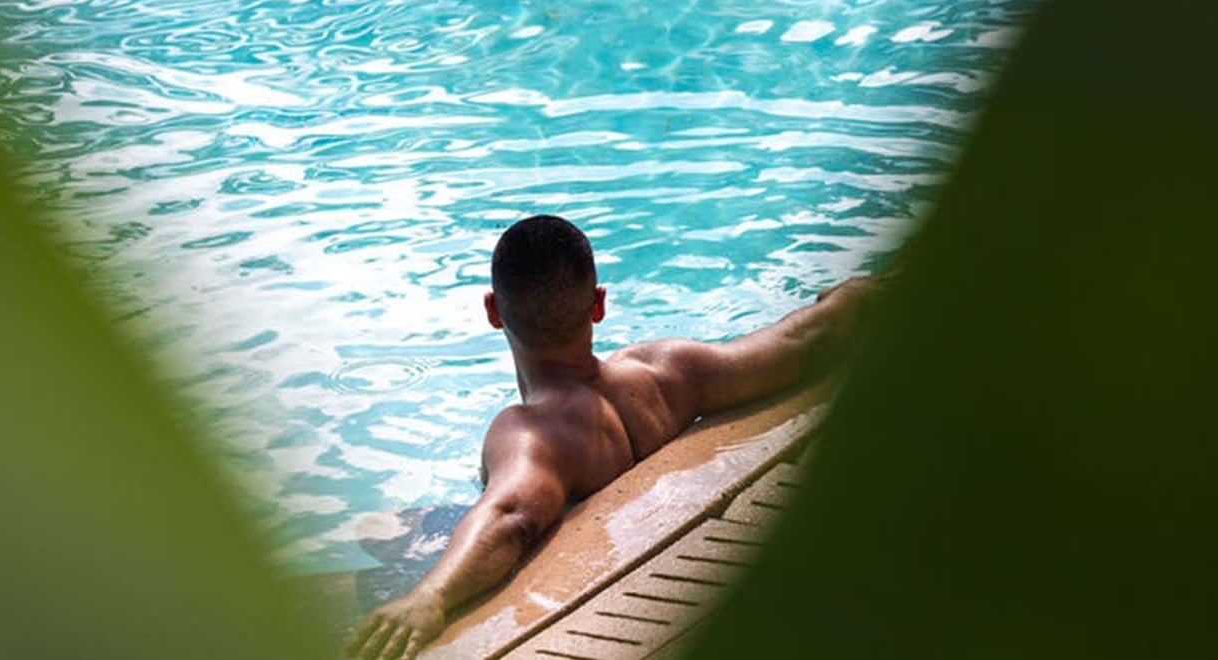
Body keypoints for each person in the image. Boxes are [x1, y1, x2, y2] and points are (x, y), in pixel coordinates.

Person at [345, 215, 879, 660]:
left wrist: (429, 598)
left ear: (492, 311)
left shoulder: (531, 432)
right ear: (598, 304)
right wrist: (851, 297)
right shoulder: (670, 370)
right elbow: (802, 339)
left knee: (377, 530)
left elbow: (511, 516)